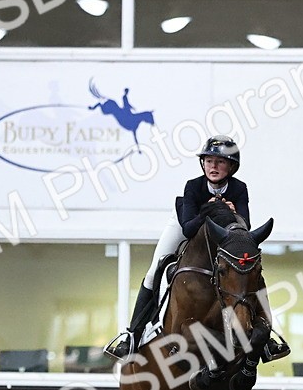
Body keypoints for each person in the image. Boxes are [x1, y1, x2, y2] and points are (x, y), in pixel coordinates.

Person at [104, 135, 290, 362]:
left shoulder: (239, 188)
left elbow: (245, 230)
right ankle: (132, 335)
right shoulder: (193, 186)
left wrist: (234, 214)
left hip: (220, 234)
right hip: (185, 222)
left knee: (248, 268)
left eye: (220, 162)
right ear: (203, 163)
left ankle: (267, 339)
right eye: (209, 161)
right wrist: (208, 210)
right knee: (155, 269)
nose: (213, 166)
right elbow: (189, 228)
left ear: (231, 166)